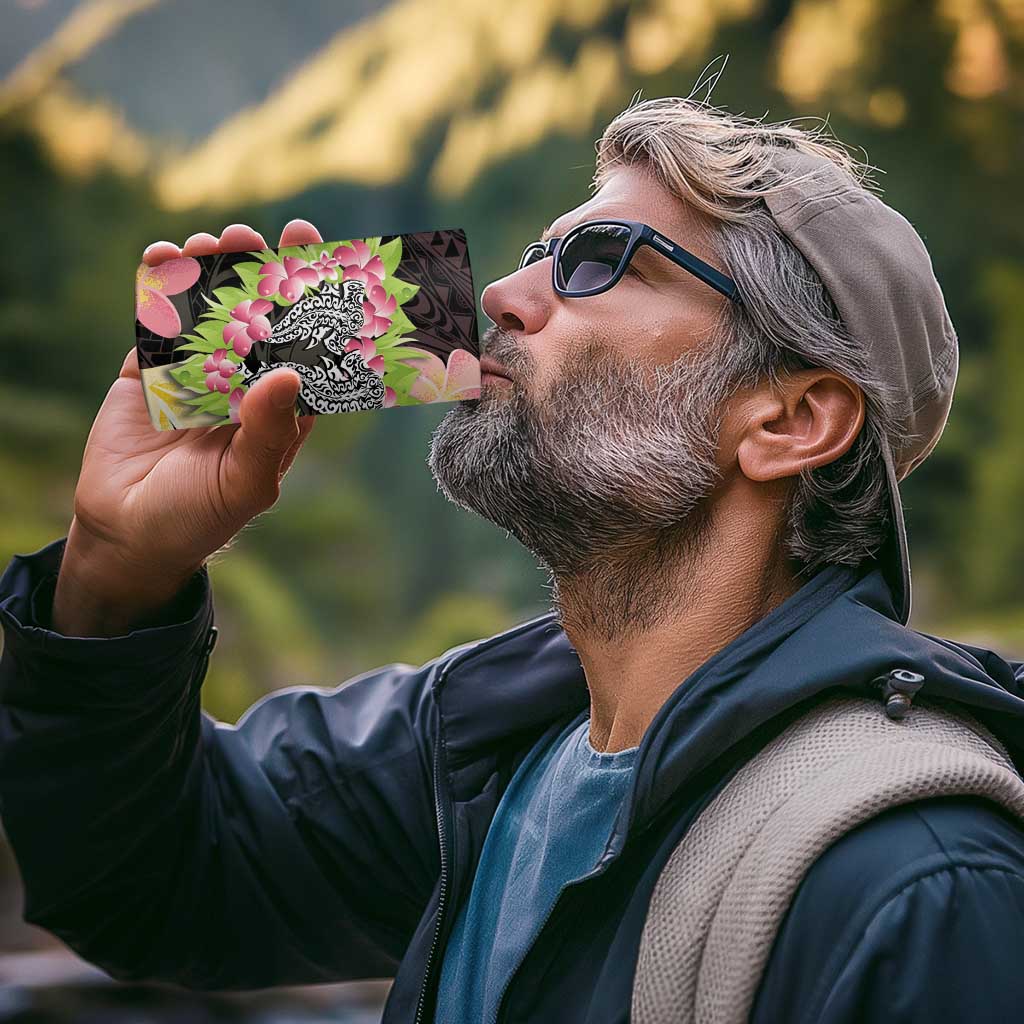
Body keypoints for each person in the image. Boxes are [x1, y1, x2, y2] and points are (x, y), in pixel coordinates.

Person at [2, 94, 1024, 1024]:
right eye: (539, 252)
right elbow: (148, 880)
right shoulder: (479, 747)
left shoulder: (918, 884)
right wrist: (115, 571)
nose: (498, 291)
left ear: (791, 419)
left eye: (600, 261)